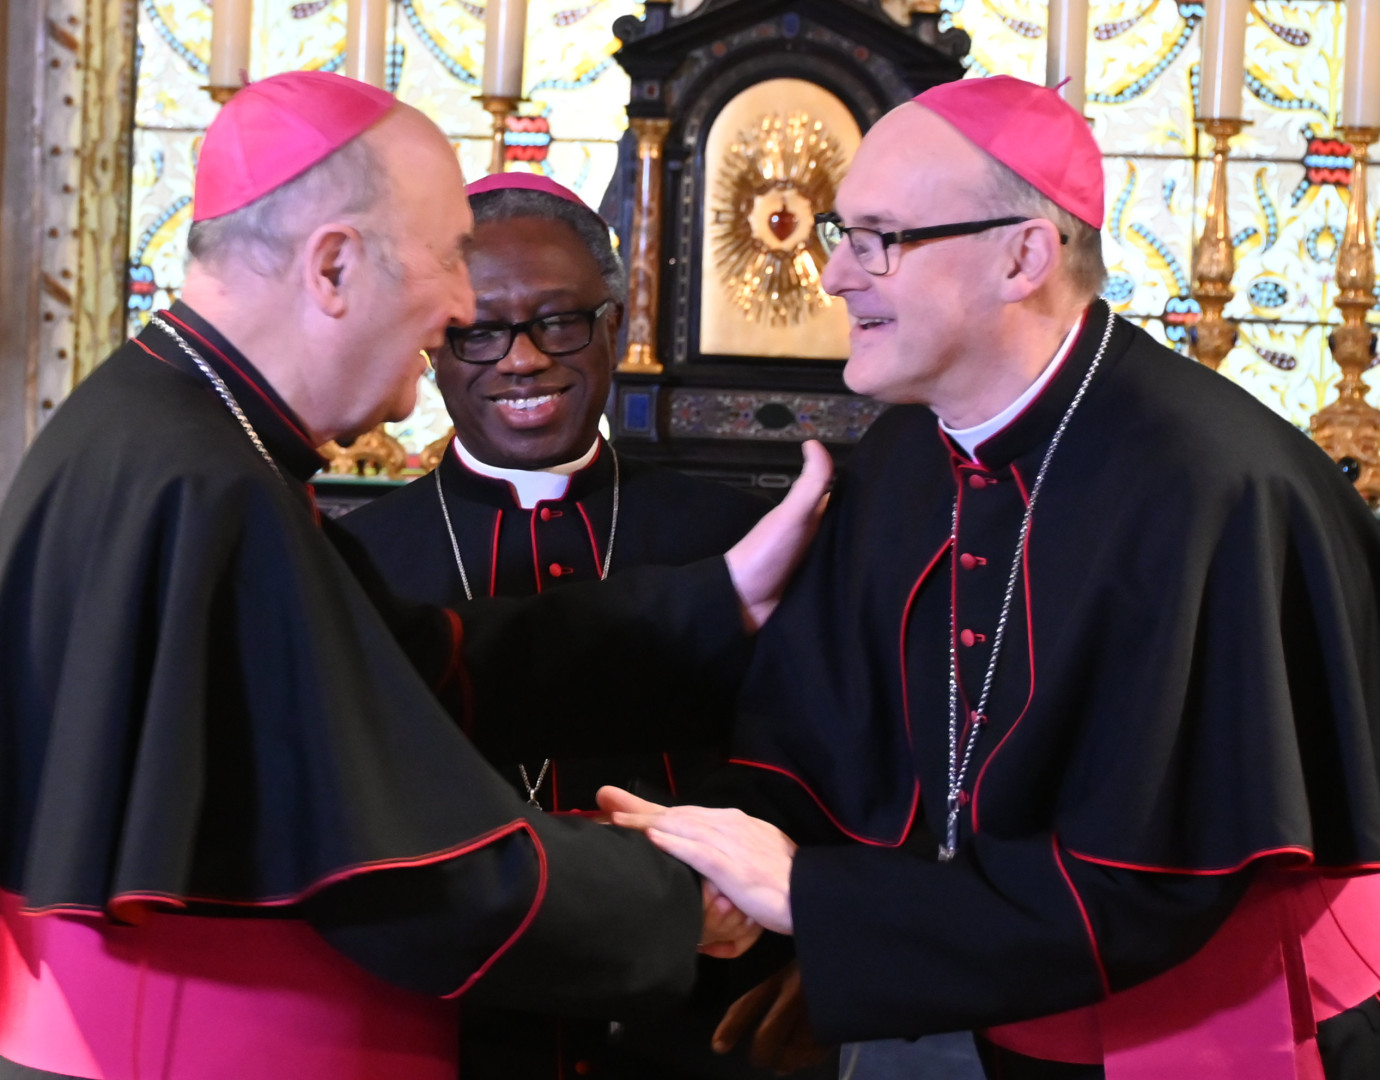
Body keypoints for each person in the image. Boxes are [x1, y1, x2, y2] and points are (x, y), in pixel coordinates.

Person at [0, 71, 830, 1080]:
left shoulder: (170, 432)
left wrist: (721, 596)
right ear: (334, 266)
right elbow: (389, 869)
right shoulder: (205, 484)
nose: (462, 308)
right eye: (445, 260)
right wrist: (681, 900)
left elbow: (423, 668)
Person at [603, 75, 1380, 1080]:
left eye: (878, 238)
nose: (832, 274)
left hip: (1212, 1013)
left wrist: (813, 900)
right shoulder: (906, 453)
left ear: (1023, 257)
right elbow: (819, 734)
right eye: (841, 232)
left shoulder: (1208, 486)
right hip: (993, 1012)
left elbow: (1158, 871)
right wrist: (724, 869)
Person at [339, 172, 831, 1080]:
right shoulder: (360, 559)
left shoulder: (739, 540)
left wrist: (800, 941)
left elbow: (812, 758)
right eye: (478, 331)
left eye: (559, 321)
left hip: (711, 1006)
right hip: (456, 1015)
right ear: (434, 347)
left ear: (614, 327)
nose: (521, 359)